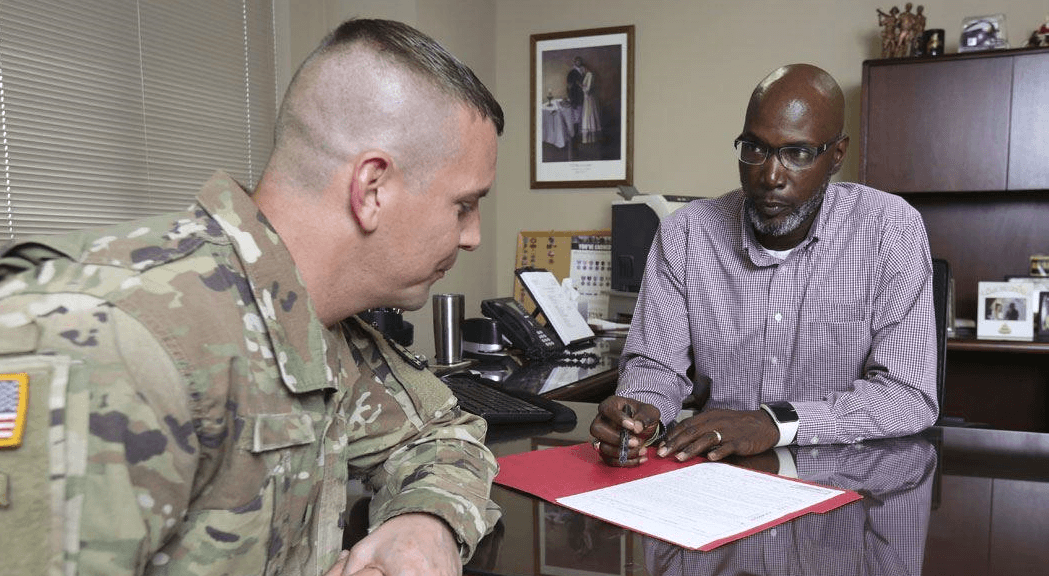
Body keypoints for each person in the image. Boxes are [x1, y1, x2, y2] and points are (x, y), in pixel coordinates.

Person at [0, 18, 503, 576]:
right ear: (372, 189)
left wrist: (425, 524)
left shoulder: (314, 321)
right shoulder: (110, 344)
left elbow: (444, 436)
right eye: (463, 205)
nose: (473, 235)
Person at [590, 64, 937, 467]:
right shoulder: (685, 234)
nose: (770, 175)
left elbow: (908, 394)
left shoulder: (890, 229)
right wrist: (638, 417)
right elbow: (655, 367)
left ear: (836, 155)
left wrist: (776, 423)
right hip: (714, 479)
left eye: (797, 153)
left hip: (843, 483)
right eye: (755, 148)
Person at [579, 61, 602, 144]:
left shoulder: (590, 75)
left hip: (588, 97)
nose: (582, 71)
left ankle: (591, 128)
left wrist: (582, 87)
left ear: (585, 68)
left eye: (582, 69)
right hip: (586, 98)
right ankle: (588, 128)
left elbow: (588, 89)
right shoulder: (587, 75)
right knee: (587, 113)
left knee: (590, 113)